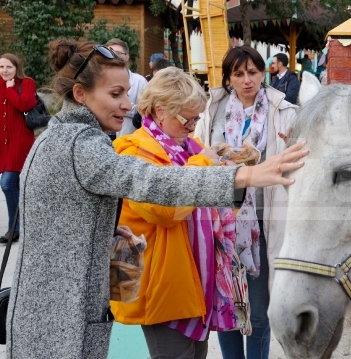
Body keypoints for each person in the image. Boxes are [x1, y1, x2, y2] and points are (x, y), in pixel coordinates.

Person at [6, 39, 307, 359]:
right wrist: (243, 175)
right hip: (73, 312)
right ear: (81, 94)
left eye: (126, 92)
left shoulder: (73, 137)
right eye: (115, 94)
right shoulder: (84, 144)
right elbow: (156, 187)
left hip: (97, 301)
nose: (127, 105)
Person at [111, 67, 238, 359]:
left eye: (197, 118)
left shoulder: (189, 148)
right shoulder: (133, 150)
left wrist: (229, 168)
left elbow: (212, 198)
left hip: (194, 281)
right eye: (187, 118)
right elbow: (164, 210)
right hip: (161, 285)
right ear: (159, 111)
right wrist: (205, 165)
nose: (193, 126)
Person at [194, 45, 298, 359]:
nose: (246, 80)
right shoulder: (211, 111)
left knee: (259, 311)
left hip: (265, 226)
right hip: (220, 226)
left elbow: (295, 166)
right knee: (225, 307)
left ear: (263, 73)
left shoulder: (284, 112)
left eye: (252, 72)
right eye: (238, 74)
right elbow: (195, 157)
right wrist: (218, 157)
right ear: (228, 77)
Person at [0, 53, 37, 244]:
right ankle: (22, 226)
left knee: (7, 184)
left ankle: (15, 228)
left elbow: (26, 104)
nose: (4, 71)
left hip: (20, 143)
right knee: (15, 186)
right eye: (1, 67)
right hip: (3, 144)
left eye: (8, 67)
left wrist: (10, 89)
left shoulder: (27, 83)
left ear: (16, 68)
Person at [106, 38, 147, 137]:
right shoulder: (97, 81)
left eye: (117, 53)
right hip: (102, 137)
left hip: (126, 137)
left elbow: (145, 111)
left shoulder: (140, 82)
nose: (113, 56)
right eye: (108, 52)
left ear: (127, 56)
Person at [132, 58, 174, 130]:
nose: (158, 81)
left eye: (162, 78)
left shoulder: (178, 98)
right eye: (155, 78)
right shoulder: (149, 96)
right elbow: (136, 122)